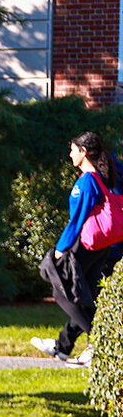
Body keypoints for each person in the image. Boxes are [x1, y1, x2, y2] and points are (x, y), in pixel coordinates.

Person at [30, 131, 123, 366]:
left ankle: (100, 344)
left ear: (83, 152)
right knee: (86, 297)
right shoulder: (102, 179)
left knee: (62, 295)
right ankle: (62, 347)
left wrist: (61, 249)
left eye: (72, 150)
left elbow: (77, 220)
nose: (69, 154)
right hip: (101, 248)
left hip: (84, 246)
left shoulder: (86, 181)